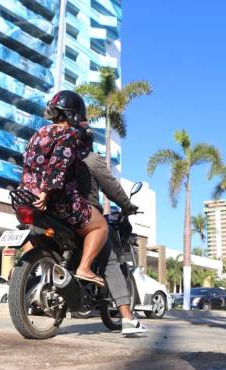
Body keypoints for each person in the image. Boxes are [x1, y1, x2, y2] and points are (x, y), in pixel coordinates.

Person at [19, 91, 109, 286]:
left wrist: (35, 192)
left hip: (27, 196)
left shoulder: (38, 133)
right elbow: (58, 165)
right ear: (73, 115)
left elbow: (27, 163)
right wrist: (45, 193)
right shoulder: (68, 134)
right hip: (56, 200)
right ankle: (84, 268)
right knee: (101, 225)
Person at [76, 126, 147, 335]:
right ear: (88, 141)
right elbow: (112, 188)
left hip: (55, 213)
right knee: (111, 261)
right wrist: (127, 206)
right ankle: (128, 319)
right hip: (84, 216)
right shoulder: (91, 159)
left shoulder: (60, 159)